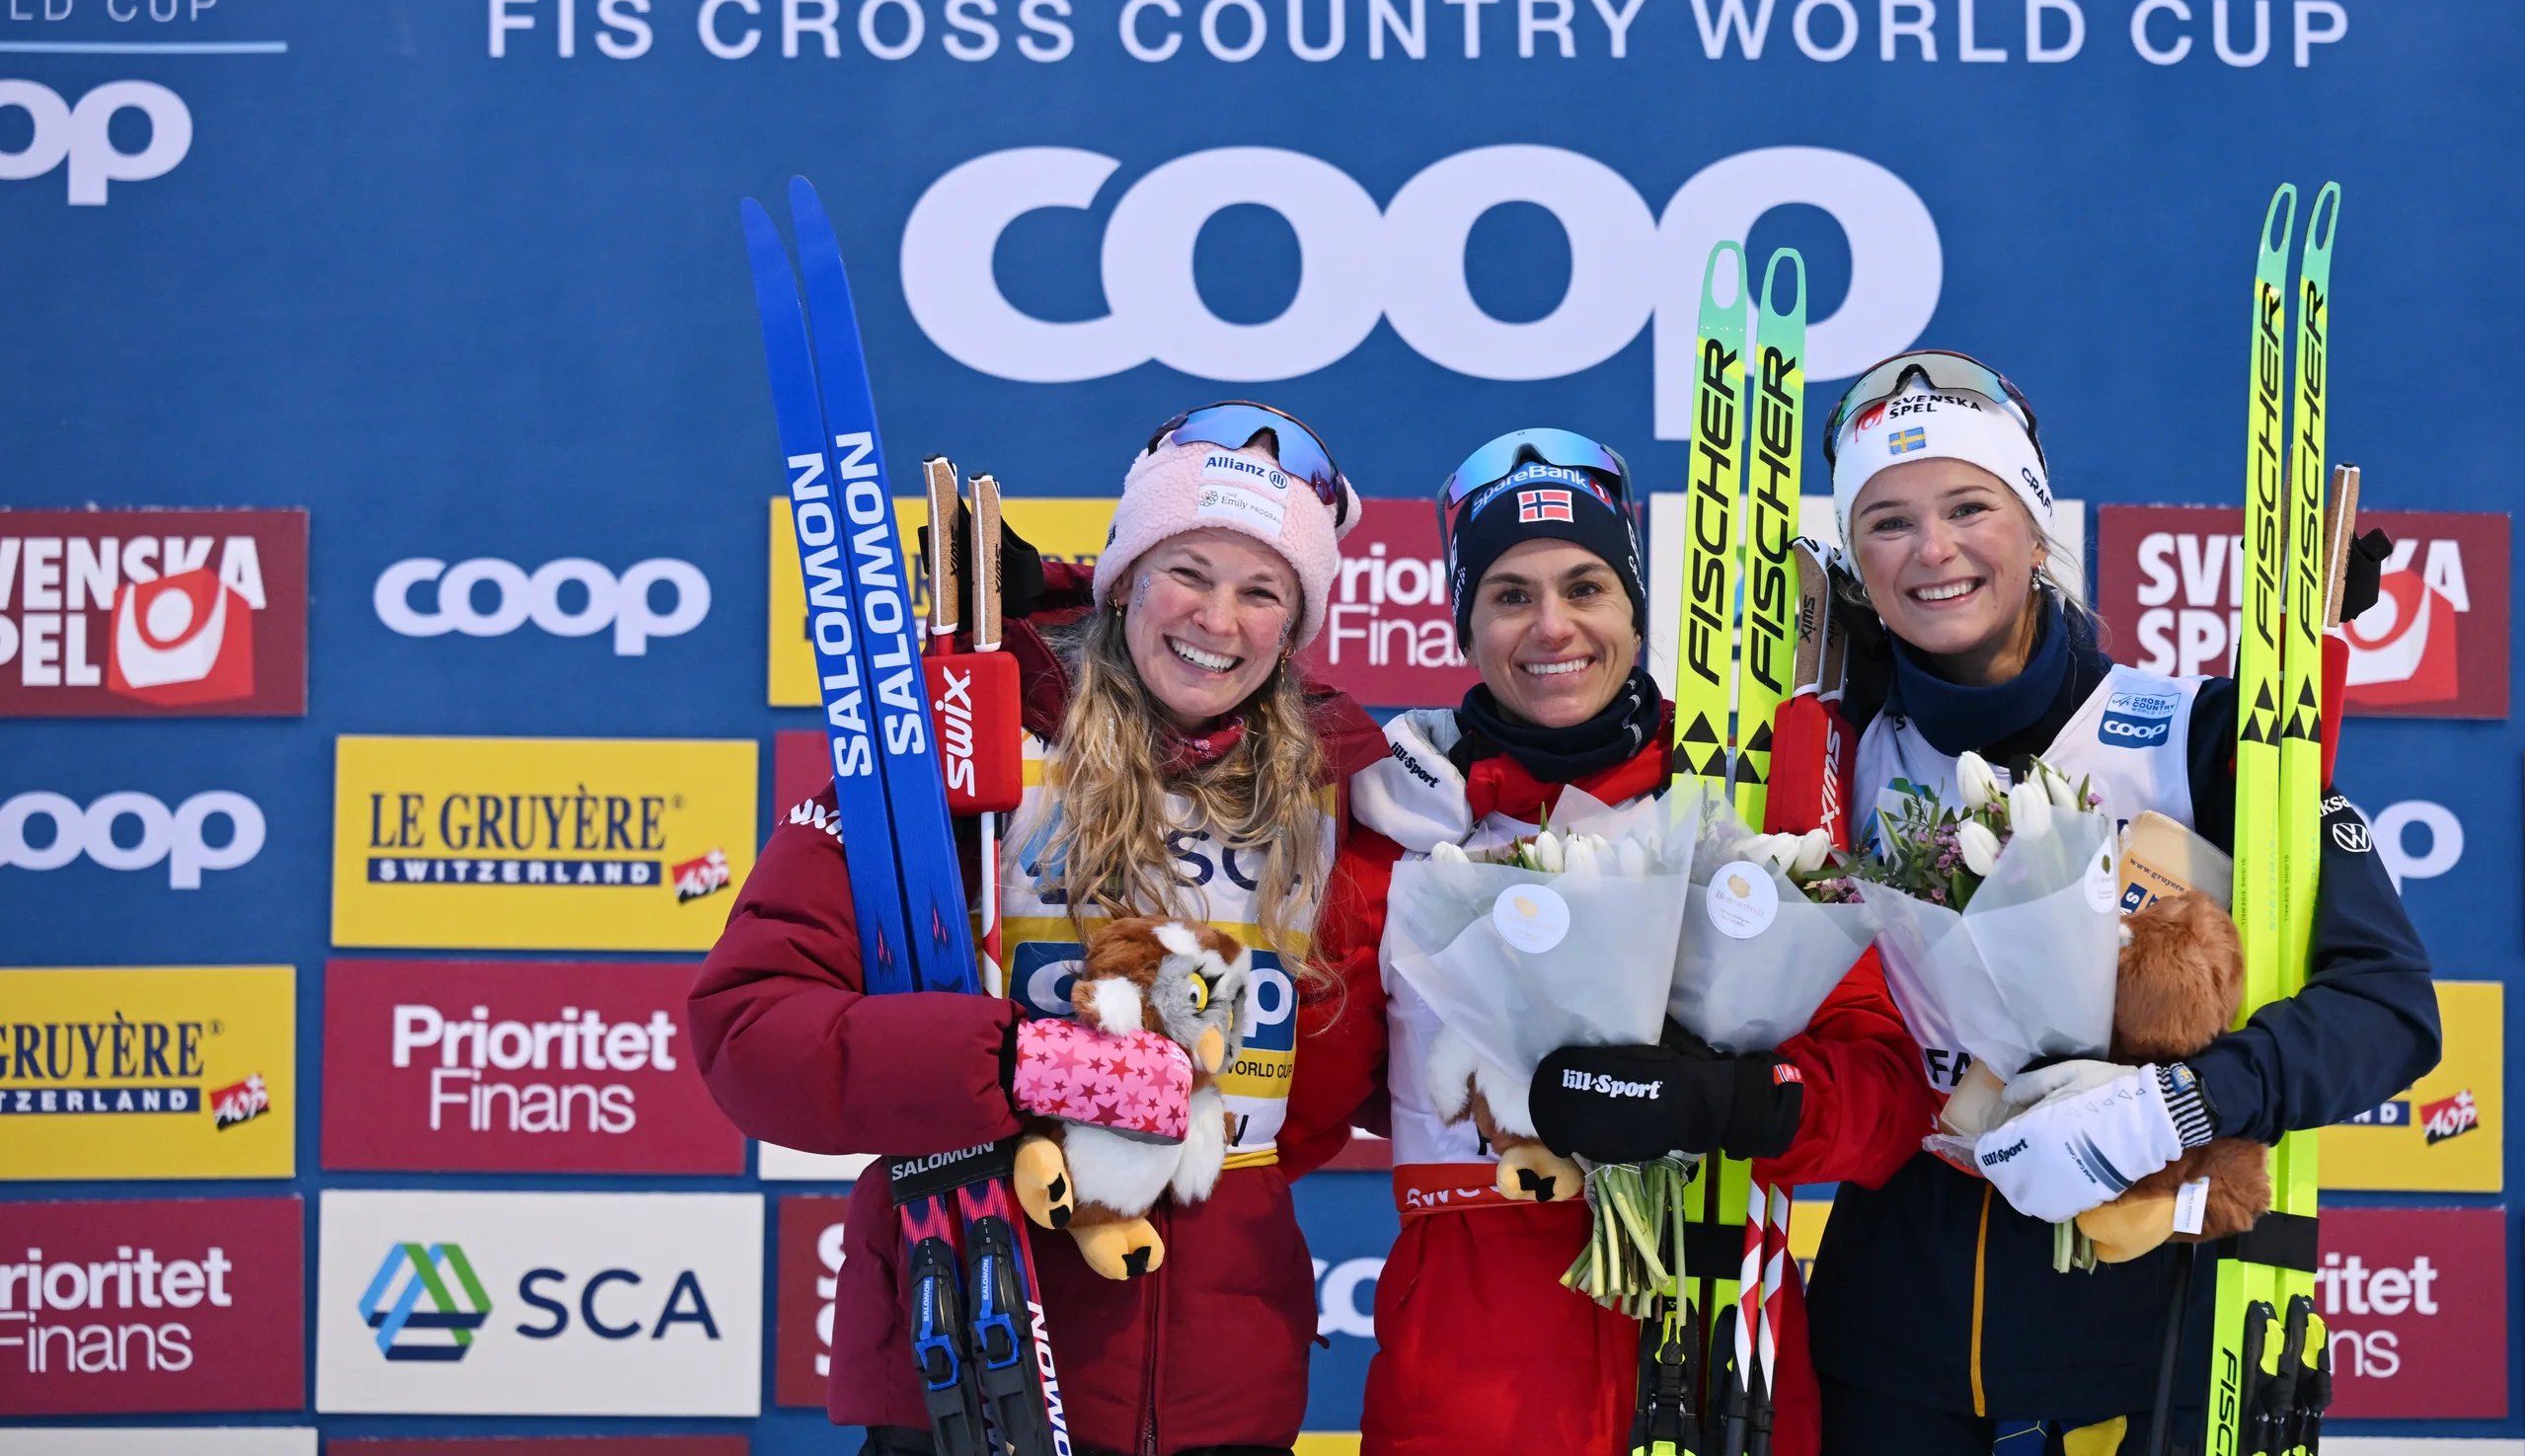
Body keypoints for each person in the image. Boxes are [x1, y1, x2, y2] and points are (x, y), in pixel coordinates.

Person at [689, 402, 1389, 1456]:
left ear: (1294, 628)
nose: (1219, 620)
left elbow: (1355, 1079)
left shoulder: (1330, 798)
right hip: (974, 1369)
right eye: (1187, 571)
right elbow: (752, 1031)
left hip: (1226, 1396)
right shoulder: (962, 748)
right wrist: (1019, 1065)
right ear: (1126, 578)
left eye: (1263, 591)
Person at [1796, 352, 2441, 1456]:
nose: (1933, 550)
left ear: (2036, 524)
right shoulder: (1835, 747)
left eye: (1969, 507)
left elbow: (2388, 1009)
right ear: (1858, 559)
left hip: (2155, 1337)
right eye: (1888, 522)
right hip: (1897, 1337)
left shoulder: (2199, 735)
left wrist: (2176, 1106)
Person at [1328, 428, 1940, 1456]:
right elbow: (1312, 1107)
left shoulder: (1742, 808)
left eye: (1586, 587)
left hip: (1720, 1366)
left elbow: (1888, 1096)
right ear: (1466, 624)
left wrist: (1740, 1100)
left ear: (1636, 606)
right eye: (1510, 595)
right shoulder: (1398, 828)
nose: (1552, 626)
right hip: (1472, 1399)